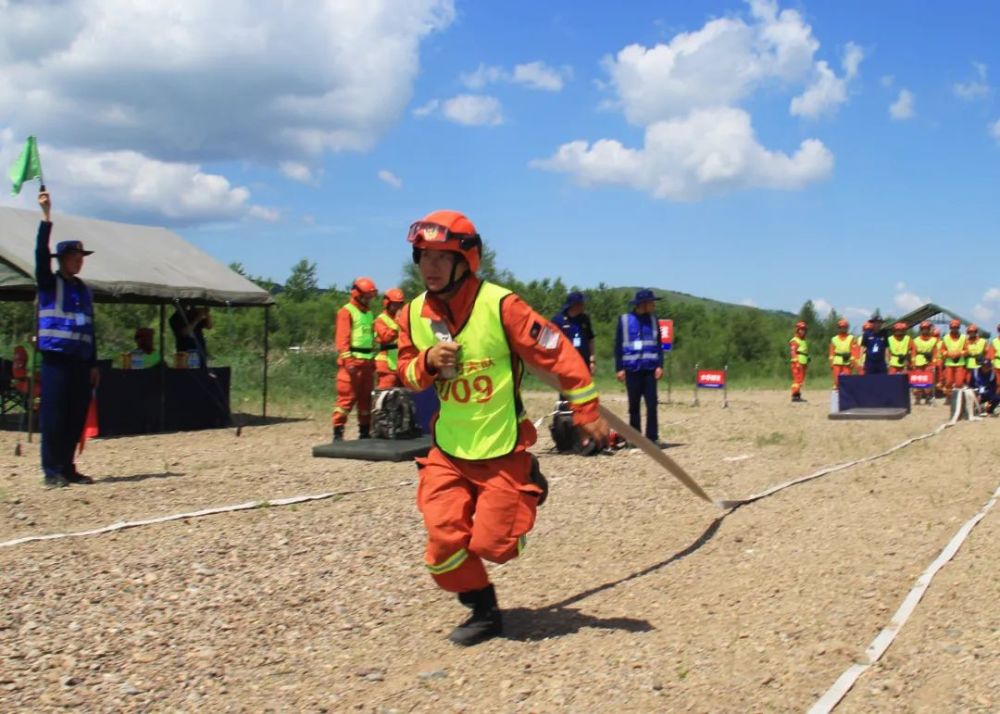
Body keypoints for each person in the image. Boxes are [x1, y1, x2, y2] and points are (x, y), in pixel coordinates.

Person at [396, 209, 607, 646]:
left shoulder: (501, 305)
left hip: (501, 451)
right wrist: (426, 363)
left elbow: (556, 352)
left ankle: (528, 481)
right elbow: (405, 375)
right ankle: (484, 609)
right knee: (442, 544)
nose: (429, 267)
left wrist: (586, 410)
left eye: (441, 256)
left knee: (497, 546)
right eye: (423, 257)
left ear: (466, 260)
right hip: (448, 453)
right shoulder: (412, 315)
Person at [34, 190, 98, 488]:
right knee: (54, 417)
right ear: (61, 259)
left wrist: (94, 362)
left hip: (80, 362)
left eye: (81, 258)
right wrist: (47, 217)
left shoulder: (83, 289)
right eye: (74, 257)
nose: (79, 262)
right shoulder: (49, 283)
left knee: (75, 415)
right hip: (56, 360)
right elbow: (39, 255)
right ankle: (52, 471)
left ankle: (68, 467)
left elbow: (90, 328)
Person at [615, 289, 666, 442]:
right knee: (634, 406)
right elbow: (618, 346)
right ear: (642, 304)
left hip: (650, 369)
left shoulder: (653, 320)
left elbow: (658, 345)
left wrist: (660, 365)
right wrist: (619, 368)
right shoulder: (624, 320)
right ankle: (635, 438)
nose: (654, 306)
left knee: (652, 405)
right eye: (651, 303)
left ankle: (652, 437)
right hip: (632, 369)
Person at [333, 277, 378, 440]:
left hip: (366, 363)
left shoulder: (369, 313)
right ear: (357, 294)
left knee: (366, 400)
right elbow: (342, 339)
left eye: (370, 297)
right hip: (352, 364)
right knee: (346, 399)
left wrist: (372, 360)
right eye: (367, 296)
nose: (369, 300)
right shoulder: (346, 312)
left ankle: (364, 433)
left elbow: (369, 338)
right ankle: (338, 432)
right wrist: (348, 360)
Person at [551, 291, 596, 374]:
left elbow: (591, 339)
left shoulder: (584, 319)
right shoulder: (558, 320)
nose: (584, 305)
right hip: (566, 364)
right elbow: (551, 344)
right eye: (582, 303)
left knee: (586, 386)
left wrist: (592, 360)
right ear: (574, 305)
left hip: (584, 362)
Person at [374, 288, 405, 390]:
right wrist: (397, 321)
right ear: (387, 303)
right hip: (386, 365)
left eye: (400, 304)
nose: (398, 307)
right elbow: (386, 337)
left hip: (402, 364)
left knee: (404, 396)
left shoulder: (404, 319)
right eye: (395, 304)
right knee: (385, 394)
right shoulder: (381, 319)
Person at [912, 321, 939, 404]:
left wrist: (934, 363)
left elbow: (935, 353)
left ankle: (928, 396)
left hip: (929, 362)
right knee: (918, 380)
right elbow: (913, 352)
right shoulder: (916, 340)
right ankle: (918, 397)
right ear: (921, 330)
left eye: (927, 329)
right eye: (923, 329)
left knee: (928, 380)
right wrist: (913, 363)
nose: (925, 330)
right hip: (919, 361)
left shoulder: (934, 340)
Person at [940, 319, 967, 397]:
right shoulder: (945, 338)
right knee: (948, 382)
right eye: (952, 327)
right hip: (949, 363)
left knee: (959, 382)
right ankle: (949, 396)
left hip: (960, 363)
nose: (954, 329)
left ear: (958, 328)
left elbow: (966, 350)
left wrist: (959, 354)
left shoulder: (963, 337)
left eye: (956, 327)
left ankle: (957, 397)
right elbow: (942, 349)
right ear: (950, 328)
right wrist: (948, 354)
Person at [828, 319, 855, 388]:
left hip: (847, 361)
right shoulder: (834, 339)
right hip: (837, 361)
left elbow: (853, 350)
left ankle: (846, 397)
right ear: (839, 328)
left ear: (847, 328)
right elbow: (831, 352)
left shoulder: (851, 338)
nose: (843, 329)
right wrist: (831, 362)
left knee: (847, 380)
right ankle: (837, 395)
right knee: (837, 381)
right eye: (841, 327)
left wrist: (852, 361)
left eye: (844, 327)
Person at [788, 320, 809, 402]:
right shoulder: (794, 340)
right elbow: (793, 352)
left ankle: (797, 395)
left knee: (800, 380)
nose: (803, 331)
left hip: (803, 362)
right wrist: (796, 362)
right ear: (797, 330)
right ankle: (795, 396)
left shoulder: (803, 340)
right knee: (797, 380)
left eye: (804, 330)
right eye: (801, 329)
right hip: (797, 363)